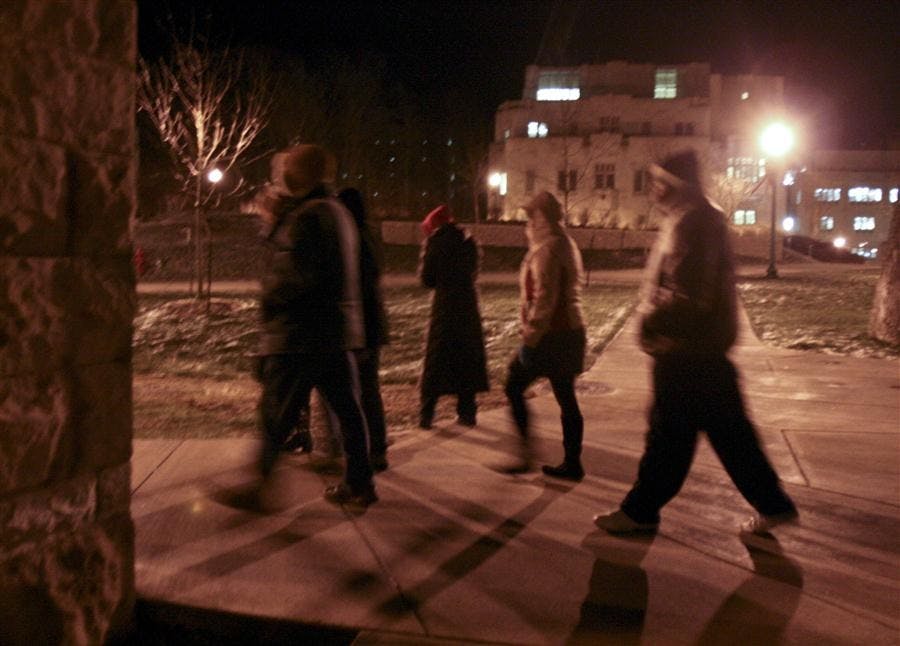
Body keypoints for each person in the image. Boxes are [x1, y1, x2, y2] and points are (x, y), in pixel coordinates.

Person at [593, 149, 798, 534]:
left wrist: (652, 318)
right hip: (700, 350)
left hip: (686, 349)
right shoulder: (692, 219)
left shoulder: (695, 222)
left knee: (669, 438)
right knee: (730, 435)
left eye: (658, 182)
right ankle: (774, 504)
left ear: (675, 186)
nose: (652, 190)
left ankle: (640, 512)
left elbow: (693, 294)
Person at [253, 144, 376, 508]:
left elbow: (291, 277)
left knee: (276, 413)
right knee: (350, 413)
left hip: (301, 335)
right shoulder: (335, 211)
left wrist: (269, 297)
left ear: (301, 173)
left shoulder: (308, 216)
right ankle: (360, 483)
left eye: (288, 167)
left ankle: (259, 487)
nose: (282, 175)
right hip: (334, 333)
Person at [503, 191, 588, 479]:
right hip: (569, 333)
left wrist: (530, 339)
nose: (527, 221)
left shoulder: (549, 248)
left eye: (531, 215)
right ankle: (572, 463)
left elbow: (545, 299)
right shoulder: (563, 243)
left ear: (542, 217)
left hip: (552, 336)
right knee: (566, 397)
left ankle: (527, 455)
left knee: (513, 385)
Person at [418, 204, 489, 429]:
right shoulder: (469, 241)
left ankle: (427, 415)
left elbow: (427, 279)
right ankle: (467, 412)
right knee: (466, 357)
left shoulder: (435, 242)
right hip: (467, 305)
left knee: (436, 360)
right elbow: (474, 272)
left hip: (445, 306)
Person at [338, 187, 391, 472]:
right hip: (371, 322)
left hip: (364, 324)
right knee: (369, 389)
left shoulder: (355, 239)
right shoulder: (369, 234)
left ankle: (375, 449)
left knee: (364, 391)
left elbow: (358, 286)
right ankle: (378, 447)